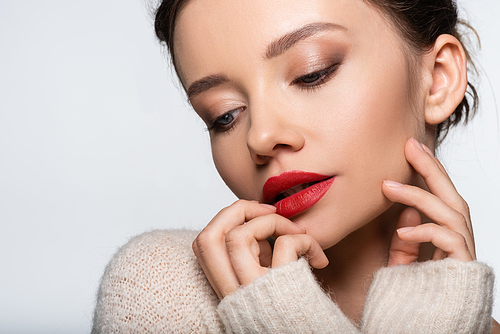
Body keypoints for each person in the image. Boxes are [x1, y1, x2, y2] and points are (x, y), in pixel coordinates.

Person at [92, 0, 498, 332]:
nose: (260, 137)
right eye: (224, 115)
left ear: (439, 78)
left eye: (311, 73)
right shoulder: (163, 292)